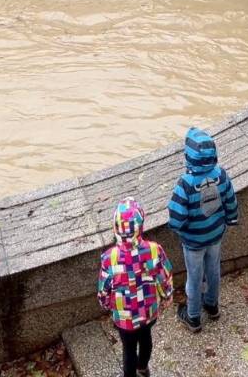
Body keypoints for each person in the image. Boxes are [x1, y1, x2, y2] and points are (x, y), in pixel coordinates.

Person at [167, 127, 239, 332]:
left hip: (193, 242)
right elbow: (230, 201)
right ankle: (212, 305)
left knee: (194, 276)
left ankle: (193, 316)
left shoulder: (186, 183)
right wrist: (231, 220)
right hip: (216, 235)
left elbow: (177, 216)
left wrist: (179, 230)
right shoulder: (221, 175)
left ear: (188, 156)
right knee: (214, 270)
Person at [98, 197, 174, 377]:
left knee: (128, 348)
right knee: (146, 338)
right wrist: (167, 295)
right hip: (148, 310)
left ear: (115, 228)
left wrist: (107, 304)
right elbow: (164, 277)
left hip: (124, 316)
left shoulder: (109, 258)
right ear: (140, 226)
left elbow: (103, 290)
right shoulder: (154, 250)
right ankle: (143, 367)